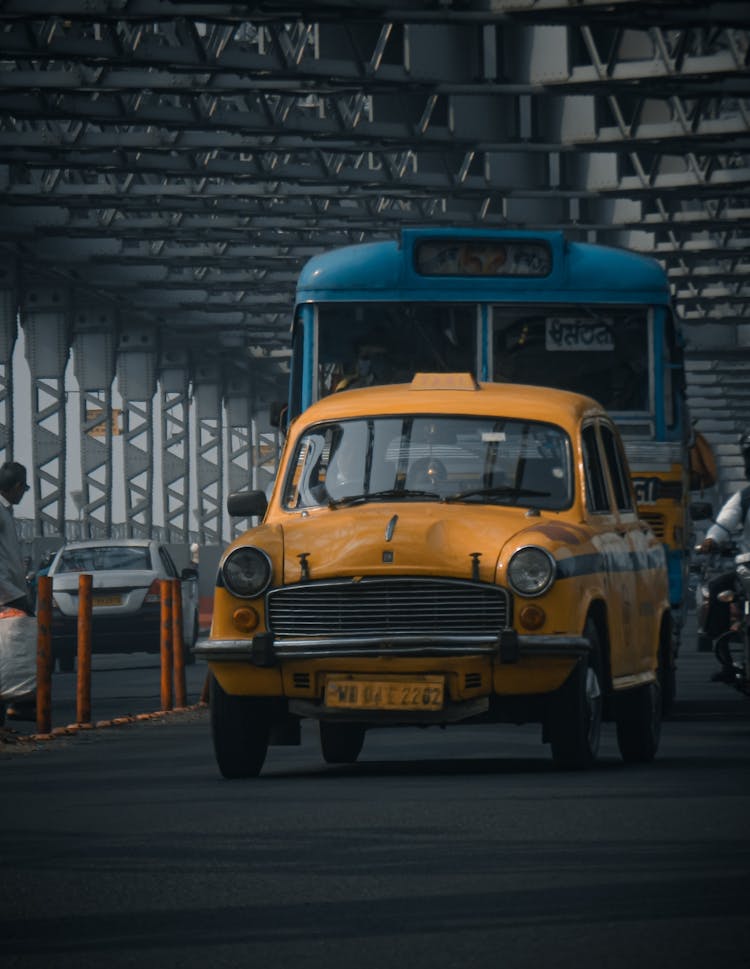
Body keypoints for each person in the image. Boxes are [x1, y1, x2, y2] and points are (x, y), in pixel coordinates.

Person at [696, 430, 750, 681]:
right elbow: (724, 524)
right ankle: (723, 653)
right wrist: (710, 540)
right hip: (748, 567)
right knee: (717, 589)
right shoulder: (745, 497)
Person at [0, 461, 36, 721]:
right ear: (16, 487)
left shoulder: (5, 511)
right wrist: (16, 596)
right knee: (22, 646)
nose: (23, 494)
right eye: (23, 489)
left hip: (8, 590)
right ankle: (21, 703)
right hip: (6, 594)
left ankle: (17, 704)